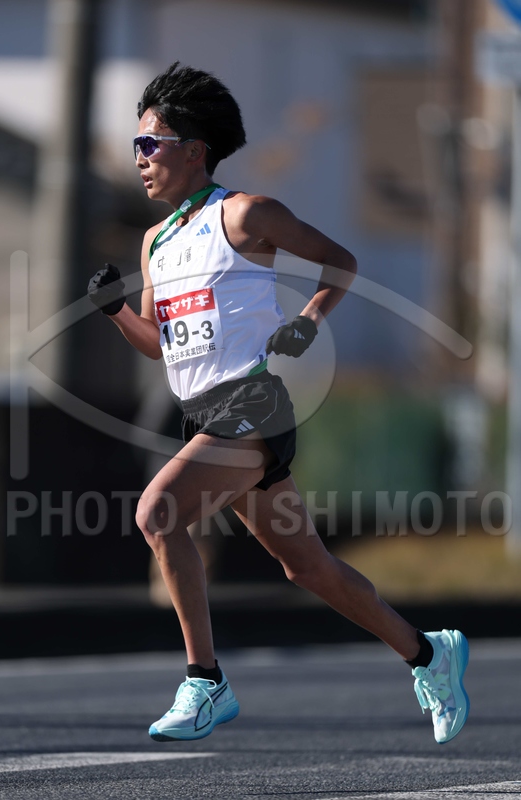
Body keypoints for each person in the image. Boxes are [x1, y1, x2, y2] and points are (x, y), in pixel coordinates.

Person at [87, 62, 470, 745]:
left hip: (252, 402)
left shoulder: (245, 214)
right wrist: (116, 311)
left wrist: (309, 320)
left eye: (150, 143)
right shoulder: (155, 243)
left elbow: (340, 261)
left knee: (157, 512)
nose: (139, 157)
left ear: (193, 150)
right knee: (307, 568)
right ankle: (428, 653)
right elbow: (158, 346)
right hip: (203, 413)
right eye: (136, 144)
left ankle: (205, 682)